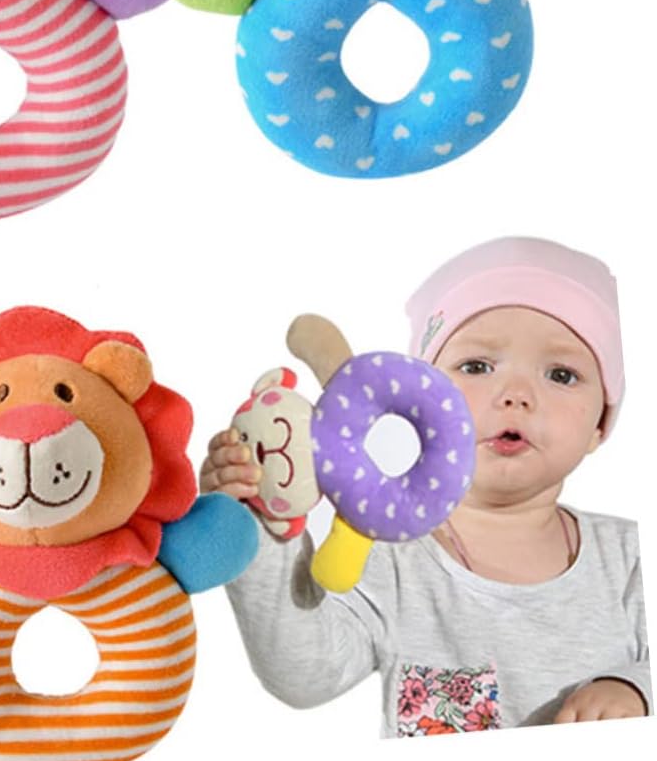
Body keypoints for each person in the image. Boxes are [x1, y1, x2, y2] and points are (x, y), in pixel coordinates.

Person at [202, 237, 650, 734]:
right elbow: (305, 676)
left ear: (599, 425)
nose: (516, 395)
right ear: (417, 401)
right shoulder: (392, 555)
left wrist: (634, 687)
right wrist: (265, 520)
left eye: (561, 374)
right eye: (477, 366)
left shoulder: (630, 557)